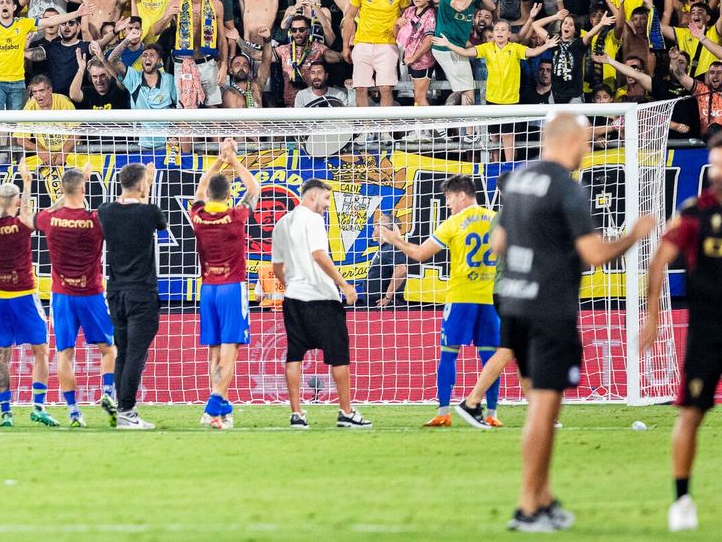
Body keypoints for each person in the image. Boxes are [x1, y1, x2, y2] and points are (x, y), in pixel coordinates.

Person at [494, 113, 656, 531]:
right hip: (549, 308)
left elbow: (499, 242)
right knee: (544, 412)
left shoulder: (516, 179)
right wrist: (635, 235)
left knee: (538, 408)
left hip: (513, 303)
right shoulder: (567, 186)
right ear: (572, 139)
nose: (587, 149)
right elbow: (595, 255)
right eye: (585, 141)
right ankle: (527, 507)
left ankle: (543, 500)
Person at [641, 128, 722, 533]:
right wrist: (653, 317)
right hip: (707, 330)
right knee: (690, 414)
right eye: (717, 163)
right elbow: (659, 261)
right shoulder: (694, 211)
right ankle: (682, 499)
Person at [374, 175, 502, 428]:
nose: (448, 205)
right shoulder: (496, 219)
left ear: (461, 196)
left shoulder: (453, 222)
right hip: (490, 298)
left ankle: (444, 412)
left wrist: (396, 240)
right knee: (490, 357)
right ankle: (492, 414)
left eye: (449, 199)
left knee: (448, 355)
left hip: (461, 297)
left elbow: (421, 254)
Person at [271, 179, 371, 430]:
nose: (328, 204)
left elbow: (276, 267)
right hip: (321, 299)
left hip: (293, 299)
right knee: (339, 356)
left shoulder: (282, 222)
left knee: (295, 354)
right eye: (326, 199)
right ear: (313, 197)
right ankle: (346, 412)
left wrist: (292, 284)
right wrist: (345, 285)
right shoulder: (313, 220)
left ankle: (297, 414)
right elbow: (318, 255)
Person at [0, 152, 55, 427]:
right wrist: (27, 180)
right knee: (40, 350)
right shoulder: (21, 224)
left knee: (2, 355)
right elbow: (29, 212)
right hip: (24, 295)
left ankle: (6, 412)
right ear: (17, 201)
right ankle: (38, 406)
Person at [187, 140, 262, 429]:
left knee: (214, 350)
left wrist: (219, 162)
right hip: (232, 288)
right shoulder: (235, 216)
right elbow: (254, 189)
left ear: (209, 196)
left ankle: (221, 412)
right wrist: (235, 161)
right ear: (230, 195)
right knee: (231, 349)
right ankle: (214, 404)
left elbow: (199, 189)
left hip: (208, 290)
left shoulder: (199, 217)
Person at [35, 168, 117, 427]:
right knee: (108, 349)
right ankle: (107, 393)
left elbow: (35, 216)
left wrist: (68, 191)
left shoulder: (51, 218)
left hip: (62, 295)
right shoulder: (97, 219)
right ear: (83, 190)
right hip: (91, 293)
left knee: (64, 353)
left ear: (62, 190)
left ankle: (73, 412)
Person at [98, 162, 166, 430]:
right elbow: (154, 219)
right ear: (141, 185)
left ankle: (125, 409)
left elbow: (125, 206)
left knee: (123, 353)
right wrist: (146, 186)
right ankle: (126, 411)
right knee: (136, 355)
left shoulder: (105, 211)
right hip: (141, 293)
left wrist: (137, 186)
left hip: (115, 293)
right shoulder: (150, 211)